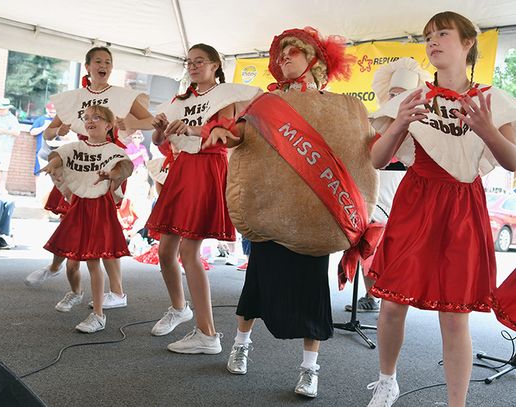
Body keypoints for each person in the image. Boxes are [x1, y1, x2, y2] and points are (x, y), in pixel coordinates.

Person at [203, 27, 378, 397]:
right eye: (279, 56)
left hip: (315, 220)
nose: (283, 61)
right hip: (270, 212)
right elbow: (239, 135)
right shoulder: (265, 104)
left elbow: (357, 153)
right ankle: (240, 345)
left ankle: (309, 370)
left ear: (315, 60)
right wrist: (222, 133)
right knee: (255, 289)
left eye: (292, 54)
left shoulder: (343, 109)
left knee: (313, 298)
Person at [365, 11, 516, 407]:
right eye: (428, 36)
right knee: (392, 302)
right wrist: (397, 124)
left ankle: (456, 403)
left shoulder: (491, 99)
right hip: (416, 200)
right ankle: (386, 382)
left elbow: (514, 161)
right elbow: (377, 159)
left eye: (442, 33)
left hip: (463, 205)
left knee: (454, 315)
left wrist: (486, 131)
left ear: (468, 43)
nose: (432, 41)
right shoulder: (412, 98)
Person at [147, 43, 260, 354]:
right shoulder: (179, 100)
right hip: (181, 170)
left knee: (188, 248)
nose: (193, 66)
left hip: (207, 168)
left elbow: (225, 132)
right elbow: (165, 144)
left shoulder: (225, 96)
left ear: (215, 65)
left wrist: (193, 128)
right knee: (165, 248)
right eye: (189, 62)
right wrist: (159, 132)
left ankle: (207, 333)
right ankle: (179, 308)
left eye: (199, 61)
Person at [24, 46, 152, 313]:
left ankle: (115, 292)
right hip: (78, 162)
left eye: (108, 62)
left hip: (108, 161)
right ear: (88, 67)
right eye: (98, 61)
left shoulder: (121, 96)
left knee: (104, 228)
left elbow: (149, 122)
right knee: (73, 223)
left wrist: (124, 124)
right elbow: (48, 135)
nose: (103, 65)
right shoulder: (74, 99)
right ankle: (67, 279)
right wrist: (58, 130)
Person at [344, 58, 432, 313]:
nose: (395, 98)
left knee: (393, 250)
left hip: (403, 190)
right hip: (374, 188)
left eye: (401, 94)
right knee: (367, 247)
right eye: (392, 93)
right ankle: (371, 295)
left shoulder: (421, 122)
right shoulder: (376, 121)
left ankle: (391, 295)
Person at [40, 105, 133, 333]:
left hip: (99, 208)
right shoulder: (76, 147)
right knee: (71, 263)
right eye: (87, 118)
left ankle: (98, 314)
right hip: (79, 206)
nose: (91, 121)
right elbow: (60, 157)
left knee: (93, 261)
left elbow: (122, 169)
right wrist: (51, 165)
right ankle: (75, 292)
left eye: (97, 118)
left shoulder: (113, 150)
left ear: (109, 125)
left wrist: (109, 174)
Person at [0, 98, 21, 186]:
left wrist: (3, 131)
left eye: (2, 109)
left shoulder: (12, 119)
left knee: (3, 168)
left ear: (7, 108)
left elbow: (17, 132)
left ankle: (1, 187)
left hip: (6, 148)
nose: (0, 110)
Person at [30, 102, 57, 175]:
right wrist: (43, 127)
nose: (53, 114)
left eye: (55, 112)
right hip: (42, 151)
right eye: (51, 112)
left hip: (55, 152)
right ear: (47, 110)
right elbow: (32, 132)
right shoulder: (41, 119)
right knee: (40, 173)